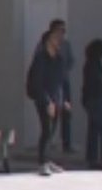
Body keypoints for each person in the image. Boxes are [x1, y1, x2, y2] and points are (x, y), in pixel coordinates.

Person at [26, 26, 70, 175]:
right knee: (46, 130)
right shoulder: (40, 58)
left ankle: (48, 160)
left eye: (60, 38)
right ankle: (42, 163)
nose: (59, 41)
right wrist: (47, 102)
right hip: (44, 98)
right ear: (47, 41)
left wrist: (65, 99)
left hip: (57, 98)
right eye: (55, 38)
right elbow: (37, 82)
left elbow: (62, 80)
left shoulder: (59, 58)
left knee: (52, 132)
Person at [34, 19, 76, 154]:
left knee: (65, 113)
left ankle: (66, 144)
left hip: (62, 83)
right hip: (47, 88)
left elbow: (70, 62)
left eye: (64, 31)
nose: (61, 34)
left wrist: (66, 98)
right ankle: (44, 156)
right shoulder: (42, 50)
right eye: (59, 30)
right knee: (48, 125)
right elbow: (38, 74)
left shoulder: (65, 46)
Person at [82, 39, 102, 171]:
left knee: (94, 130)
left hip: (91, 99)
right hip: (97, 99)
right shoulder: (93, 65)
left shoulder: (90, 64)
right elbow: (99, 81)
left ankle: (92, 158)